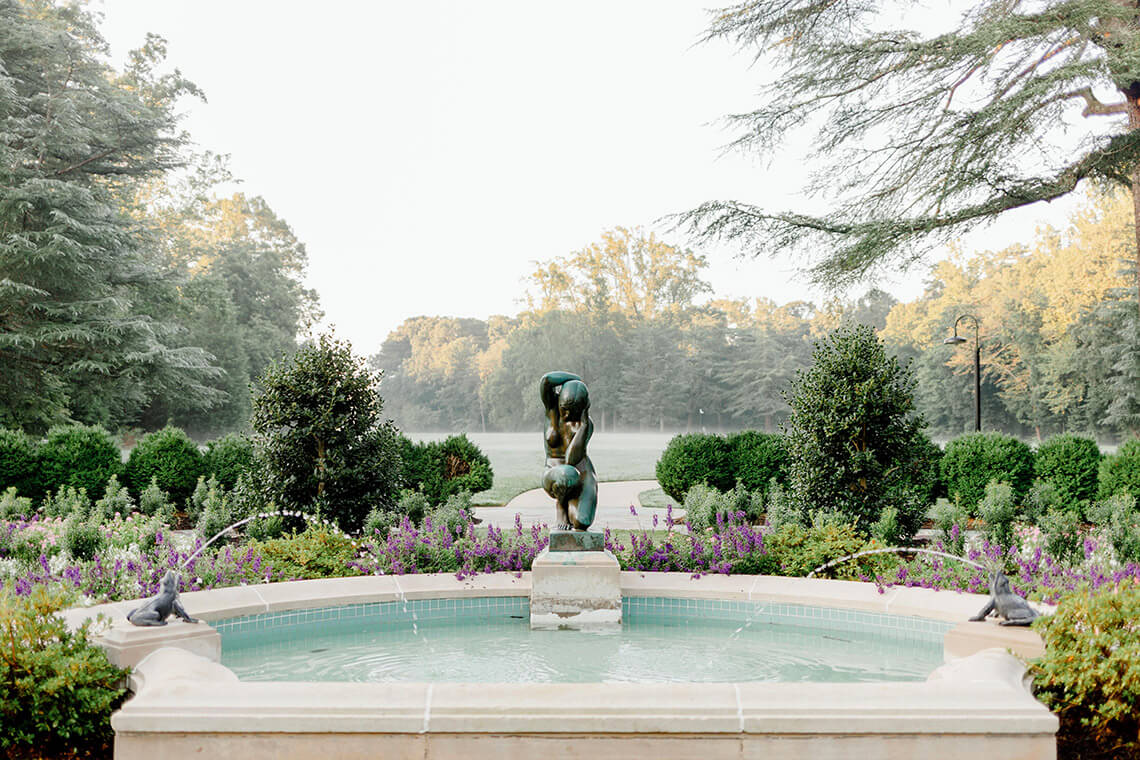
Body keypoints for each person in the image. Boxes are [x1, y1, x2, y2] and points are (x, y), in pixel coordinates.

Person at [539, 371, 597, 530]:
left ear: (583, 408)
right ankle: (561, 507)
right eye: (564, 408)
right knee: (567, 474)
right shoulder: (552, 409)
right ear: (559, 400)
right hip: (554, 471)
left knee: (581, 522)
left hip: (582, 472)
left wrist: (583, 426)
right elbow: (546, 380)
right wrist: (576, 379)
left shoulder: (586, 425)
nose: (567, 414)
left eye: (574, 411)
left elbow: (572, 460)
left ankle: (573, 506)